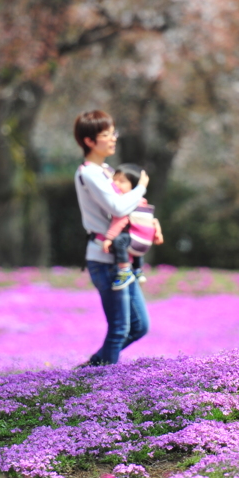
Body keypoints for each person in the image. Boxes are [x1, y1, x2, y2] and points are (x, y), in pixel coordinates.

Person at [73, 110, 163, 366]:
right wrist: (141, 187)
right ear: (89, 141)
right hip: (105, 259)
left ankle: (90, 370)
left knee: (139, 326)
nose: (114, 138)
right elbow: (118, 207)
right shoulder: (89, 173)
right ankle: (102, 383)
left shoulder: (105, 171)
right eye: (107, 134)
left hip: (122, 258)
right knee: (120, 328)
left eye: (114, 133)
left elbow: (128, 208)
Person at [101, 163, 162, 289]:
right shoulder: (143, 202)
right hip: (145, 243)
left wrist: (109, 238)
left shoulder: (126, 202)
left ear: (134, 186)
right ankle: (138, 271)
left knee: (119, 241)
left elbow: (119, 221)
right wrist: (158, 234)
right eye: (114, 180)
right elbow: (152, 220)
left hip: (134, 241)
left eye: (121, 181)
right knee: (131, 238)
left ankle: (125, 272)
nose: (116, 184)